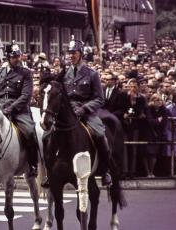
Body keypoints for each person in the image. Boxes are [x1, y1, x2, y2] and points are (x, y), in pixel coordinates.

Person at [61, 36, 112, 186]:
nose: (71, 56)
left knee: (100, 134)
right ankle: (51, 168)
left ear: (81, 54)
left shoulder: (92, 74)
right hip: (69, 113)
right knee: (49, 134)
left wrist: (84, 108)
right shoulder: (64, 74)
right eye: (69, 53)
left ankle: (105, 170)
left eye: (74, 53)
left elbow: (99, 99)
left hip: (87, 113)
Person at [0, 40, 38, 177]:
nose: (17, 59)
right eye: (14, 57)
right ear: (8, 57)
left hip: (19, 111)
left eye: (18, 56)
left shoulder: (25, 73)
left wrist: (10, 109)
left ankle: (33, 164)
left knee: (30, 132)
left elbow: (25, 96)